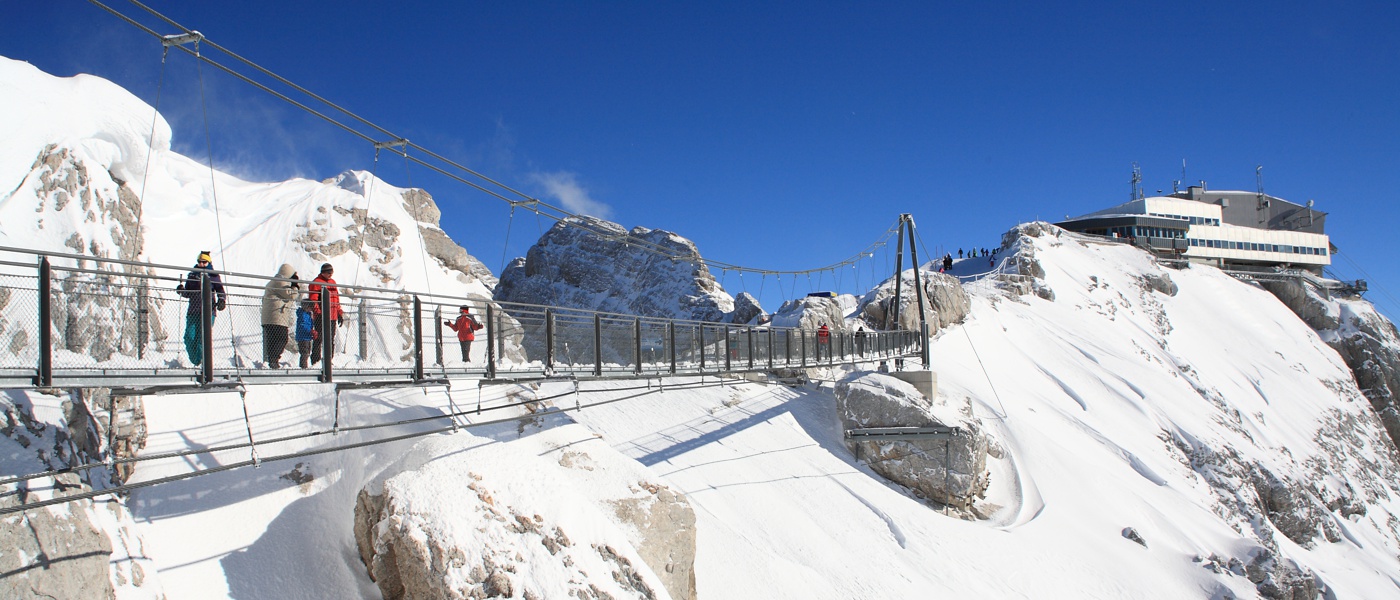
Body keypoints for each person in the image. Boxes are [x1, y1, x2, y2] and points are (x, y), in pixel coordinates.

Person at [174, 251, 227, 365]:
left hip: (208, 311)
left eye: (204, 262)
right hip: (193, 310)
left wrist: (221, 300)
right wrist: (182, 291)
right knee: (189, 337)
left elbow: (220, 290)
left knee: (202, 338)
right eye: (199, 262)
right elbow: (188, 293)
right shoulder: (192, 275)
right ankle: (196, 361)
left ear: (208, 262)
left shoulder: (213, 275)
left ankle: (202, 363)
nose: (201, 264)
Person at [261, 264, 299, 367]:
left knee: (274, 339)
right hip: (276, 317)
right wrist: (295, 286)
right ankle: (273, 360)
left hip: (273, 317)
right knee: (281, 338)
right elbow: (291, 295)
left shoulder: (275, 281)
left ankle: (272, 360)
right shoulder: (279, 282)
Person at [307, 262, 344, 366]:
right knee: (319, 338)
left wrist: (339, 313)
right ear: (323, 272)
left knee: (330, 338)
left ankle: (328, 360)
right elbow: (313, 299)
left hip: (332, 316)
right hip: (321, 315)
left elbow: (336, 300)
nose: (330, 274)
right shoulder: (316, 282)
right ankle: (315, 361)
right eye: (328, 272)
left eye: (331, 272)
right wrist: (318, 312)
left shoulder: (332, 282)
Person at [294, 300, 317, 368]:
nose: (311, 309)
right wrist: (310, 331)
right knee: (304, 353)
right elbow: (303, 325)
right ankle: (303, 367)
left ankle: (304, 366)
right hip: (303, 337)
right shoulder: (302, 314)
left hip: (307, 336)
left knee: (307, 352)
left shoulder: (308, 314)